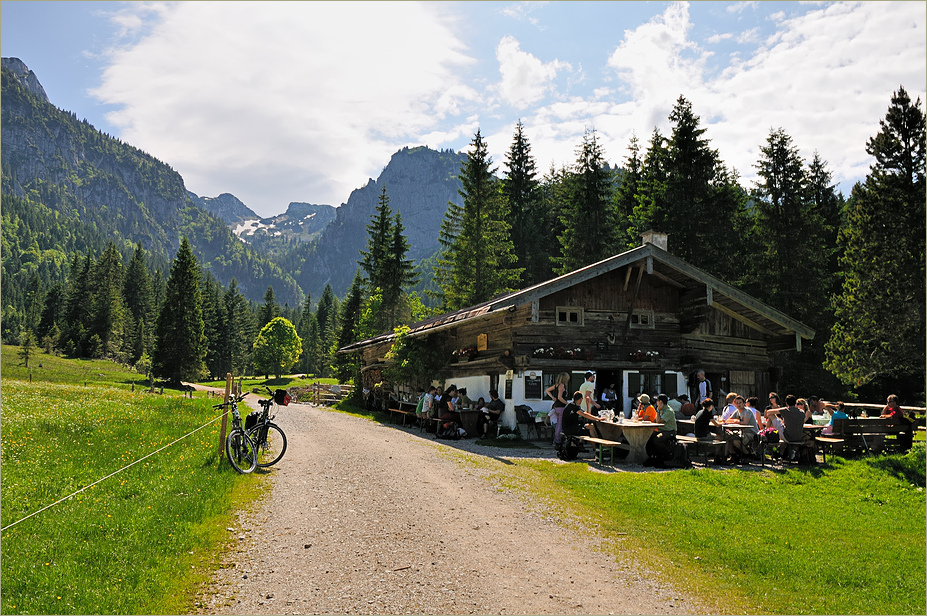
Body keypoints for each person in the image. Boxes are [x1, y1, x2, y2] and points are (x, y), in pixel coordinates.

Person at [645, 394, 677, 466]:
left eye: (657, 401)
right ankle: (652, 456)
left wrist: (658, 411)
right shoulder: (661, 409)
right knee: (649, 437)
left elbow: (659, 421)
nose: (656, 403)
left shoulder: (668, 411)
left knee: (657, 439)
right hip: (661, 430)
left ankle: (665, 455)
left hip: (669, 431)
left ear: (661, 402)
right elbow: (655, 421)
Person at [545, 372, 571, 445]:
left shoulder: (556, 385)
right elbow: (560, 397)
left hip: (556, 406)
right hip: (561, 406)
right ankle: (558, 441)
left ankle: (557, 440)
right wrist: (567, 403)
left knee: (559, 424)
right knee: (560, 425)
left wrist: (552, 397)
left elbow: (547, 390)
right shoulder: (562, 386)